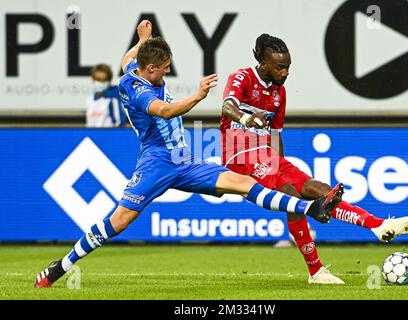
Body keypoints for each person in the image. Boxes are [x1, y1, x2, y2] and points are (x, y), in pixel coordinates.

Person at [34, 21, 345, 288]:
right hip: (157, 161)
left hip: (182, 159)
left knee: (241, 183)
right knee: (119, 221)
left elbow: (127, 58)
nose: (169, 71)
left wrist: (143, 39)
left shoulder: (136, 66)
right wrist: (198, 95)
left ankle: (310, 208)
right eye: (165, 67)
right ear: (151, 68)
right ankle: (61, 266)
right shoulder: (137, 90)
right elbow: (167, 111)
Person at [220, 33, 408, 284]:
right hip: (239, 155)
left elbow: (274, 134)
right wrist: (247, 119)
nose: (285, 73)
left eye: (288, 67)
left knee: (321, 190)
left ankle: (377, 225)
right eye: (280, 67)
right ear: (263, 62)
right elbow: (227, 106)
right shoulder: (243, 77)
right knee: (291, 195)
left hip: (267, 156)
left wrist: (279, 165)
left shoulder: (279, 94)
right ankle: (316, 270)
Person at [86, 63, 127, 127]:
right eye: (98, 80)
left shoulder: (113, 98)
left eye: (104, 80)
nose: (101, 83)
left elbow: (119, 123)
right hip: (91, 135)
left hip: (108, 135)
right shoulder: (90, 99)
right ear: (93, 80)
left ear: (109, 81)